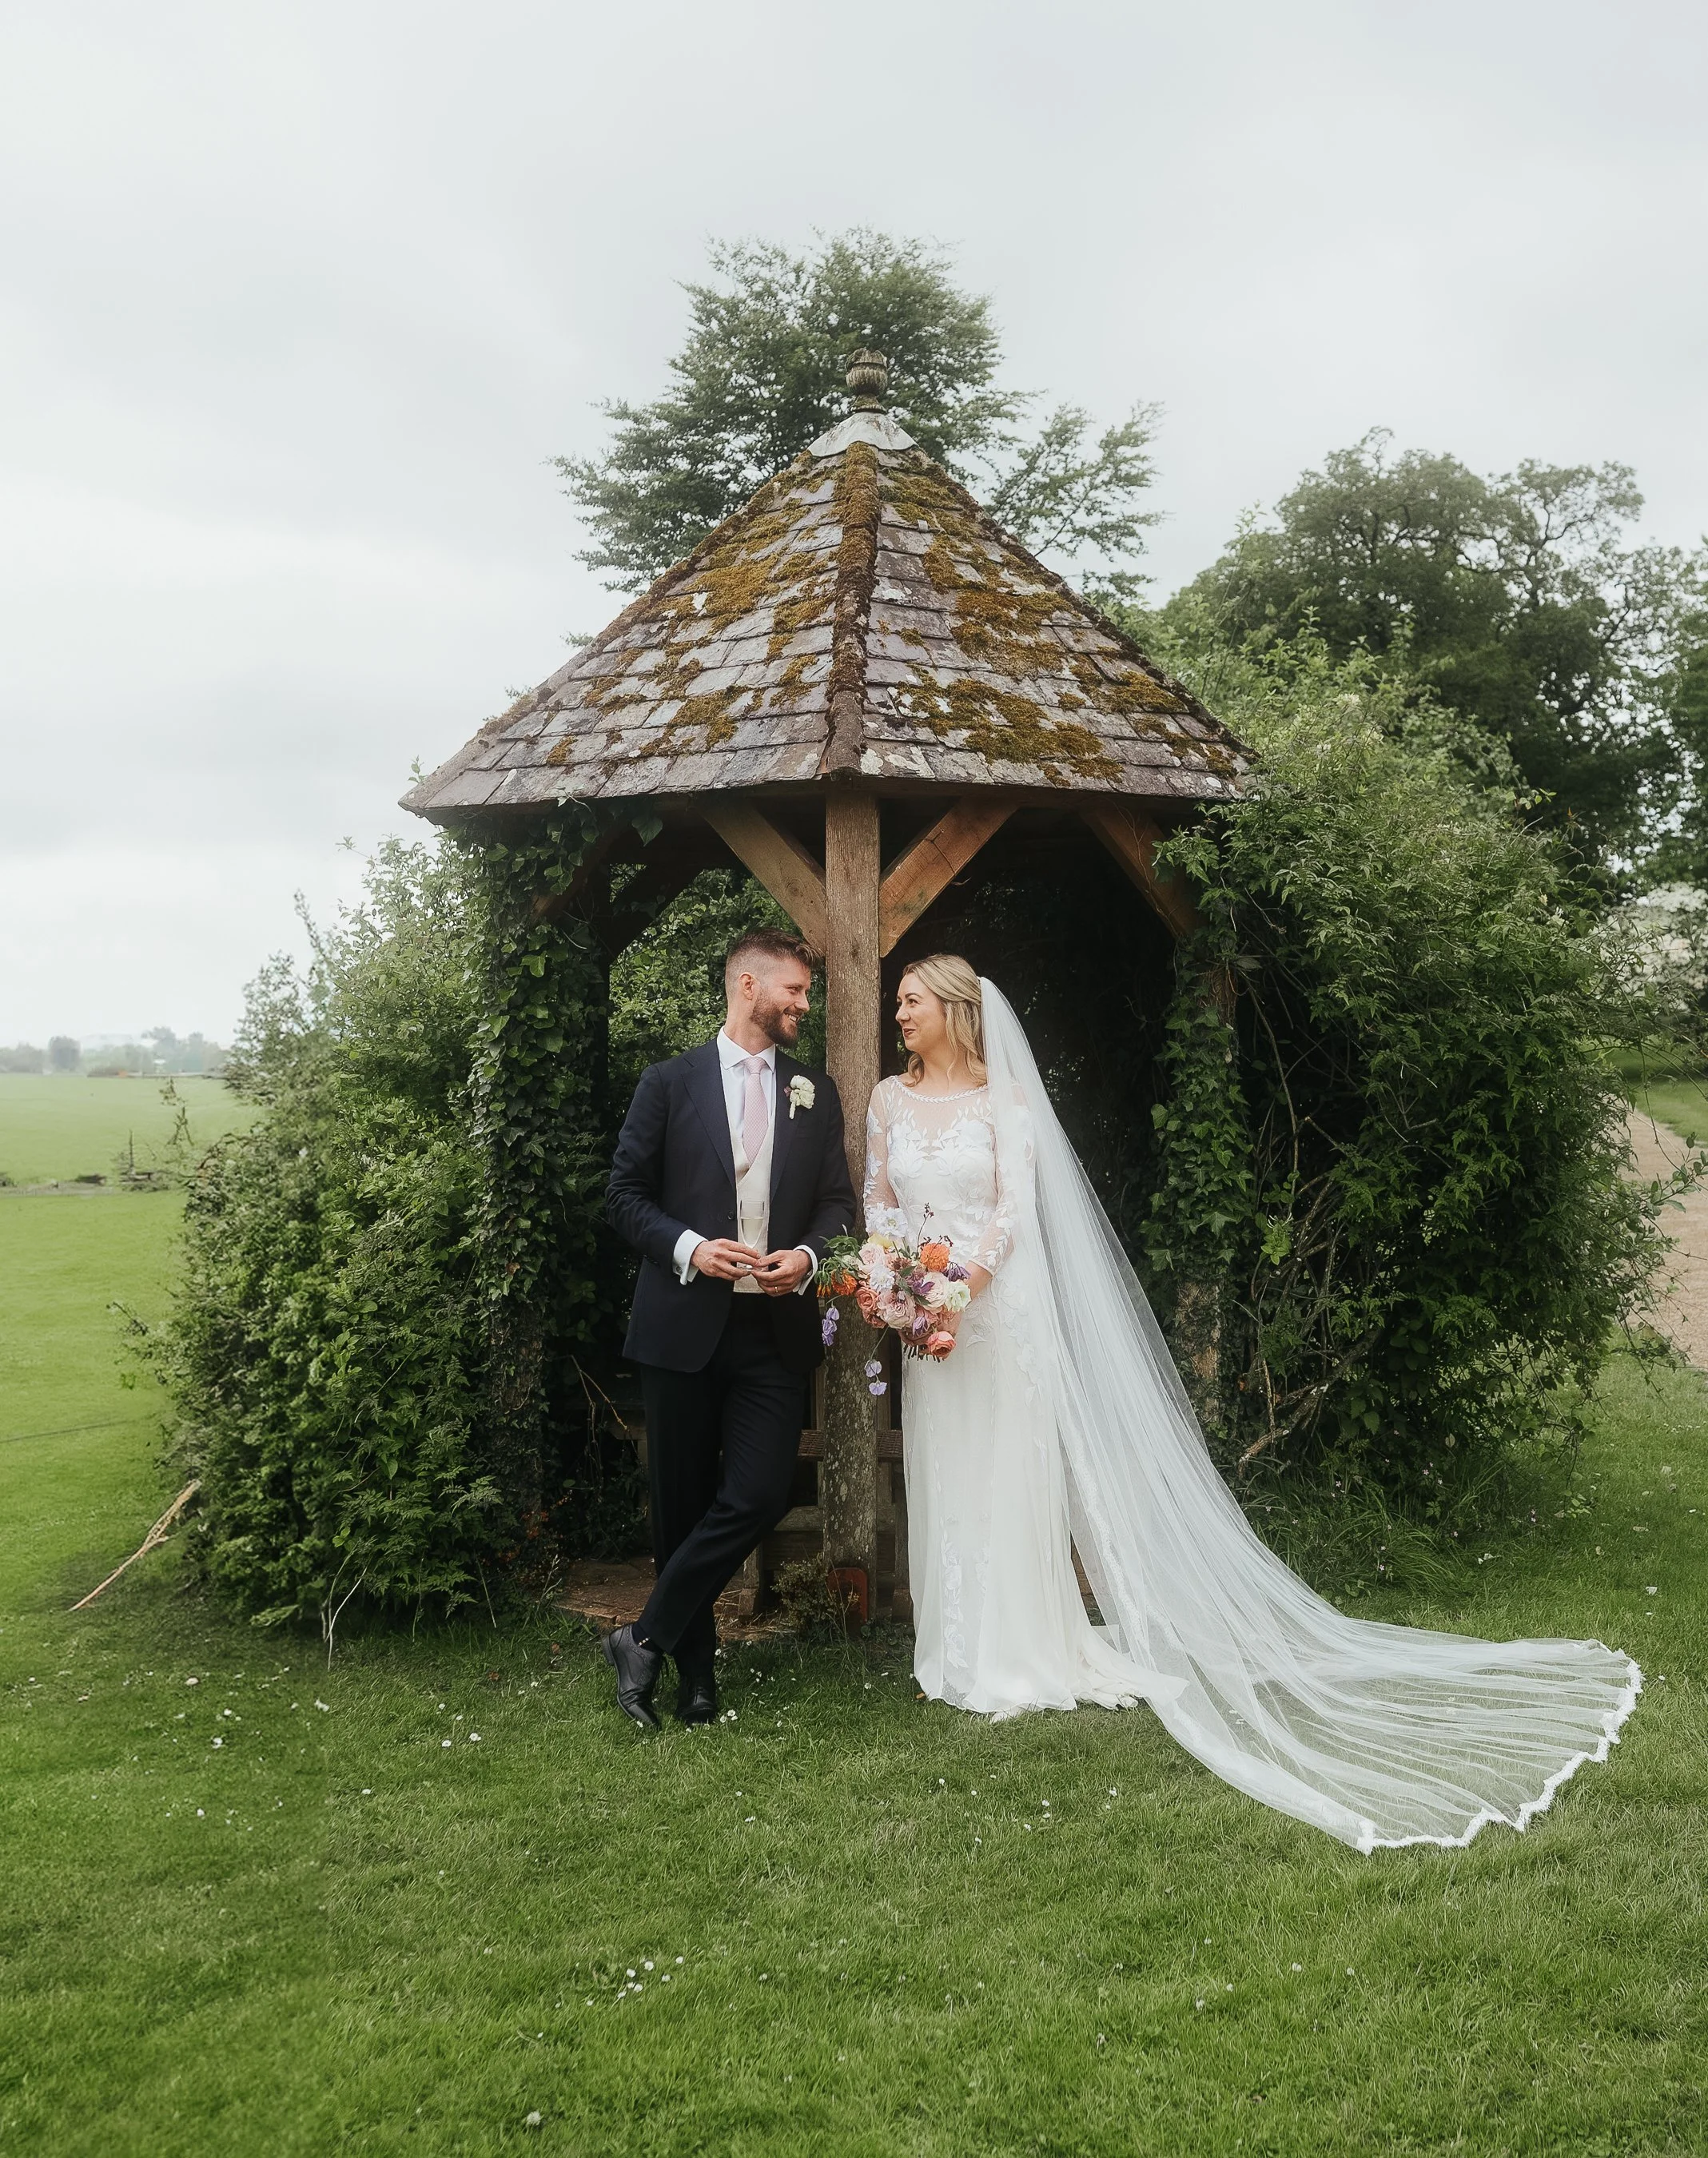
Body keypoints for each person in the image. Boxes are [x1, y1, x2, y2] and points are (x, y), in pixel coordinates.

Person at [861, 954, 1641, 1849]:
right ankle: (951, 1656)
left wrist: (964, 1285)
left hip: (998, 1314)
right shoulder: (888, 1099)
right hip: (927, 1326)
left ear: (956, 1010)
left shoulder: (1008, 1099)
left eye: (911, 1002)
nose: (900, 1015)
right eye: (898, 1005)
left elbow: (1011, 1211)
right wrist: (896, 1289)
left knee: (1007, 1471)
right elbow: (882, 1201)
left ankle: (1015, 1652)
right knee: (943, 1468)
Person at [603, 929, 855, 1730]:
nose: (802, 1006)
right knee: (679, 1504)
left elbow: (836, 1205)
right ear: (746, 984)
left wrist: (811, 1257)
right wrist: (688, 1246)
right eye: (794, 990)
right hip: (681, 1325)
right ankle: (693, 1677)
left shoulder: (814, 1091)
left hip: (771, 1330)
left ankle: (640, 1636)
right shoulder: (668, 1084)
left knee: (758, 1491)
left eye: (807, 994)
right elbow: (623, 1195)